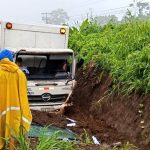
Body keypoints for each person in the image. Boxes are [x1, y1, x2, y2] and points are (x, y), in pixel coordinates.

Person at [0, 49, 32, 150]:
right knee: (13, 130)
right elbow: (23, 96)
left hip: (1, 111)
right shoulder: (20, 74)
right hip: (16, 112)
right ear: (11, 59)